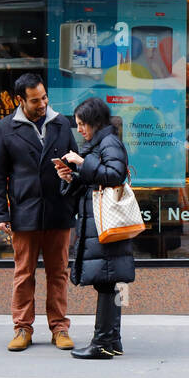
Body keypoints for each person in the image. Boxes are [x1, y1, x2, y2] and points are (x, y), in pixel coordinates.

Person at [0, 73, 78, 352]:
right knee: (24, 273)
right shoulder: (5, 128)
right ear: (21, 100)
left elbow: (74, 162)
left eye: (44, 97)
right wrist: (0, 214)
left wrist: (71, 175)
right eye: (35, 100)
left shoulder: (61, 123)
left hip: (58, 209)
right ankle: (22, 328)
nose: (42, 104)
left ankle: (60, 327)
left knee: (59, 272)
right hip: (24, 210)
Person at [55, 97, 135, 360]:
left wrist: (81, 162)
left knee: (107, 282)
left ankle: (102, 342)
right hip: (99, 224)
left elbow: (114, 175)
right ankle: (113, 340)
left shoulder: (109, 142)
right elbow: (93, 180)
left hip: (106, 224)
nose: (79, 130)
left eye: (82, 124)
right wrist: (71, 177)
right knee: (110, 283)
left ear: (94, 122)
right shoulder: (98, 143)